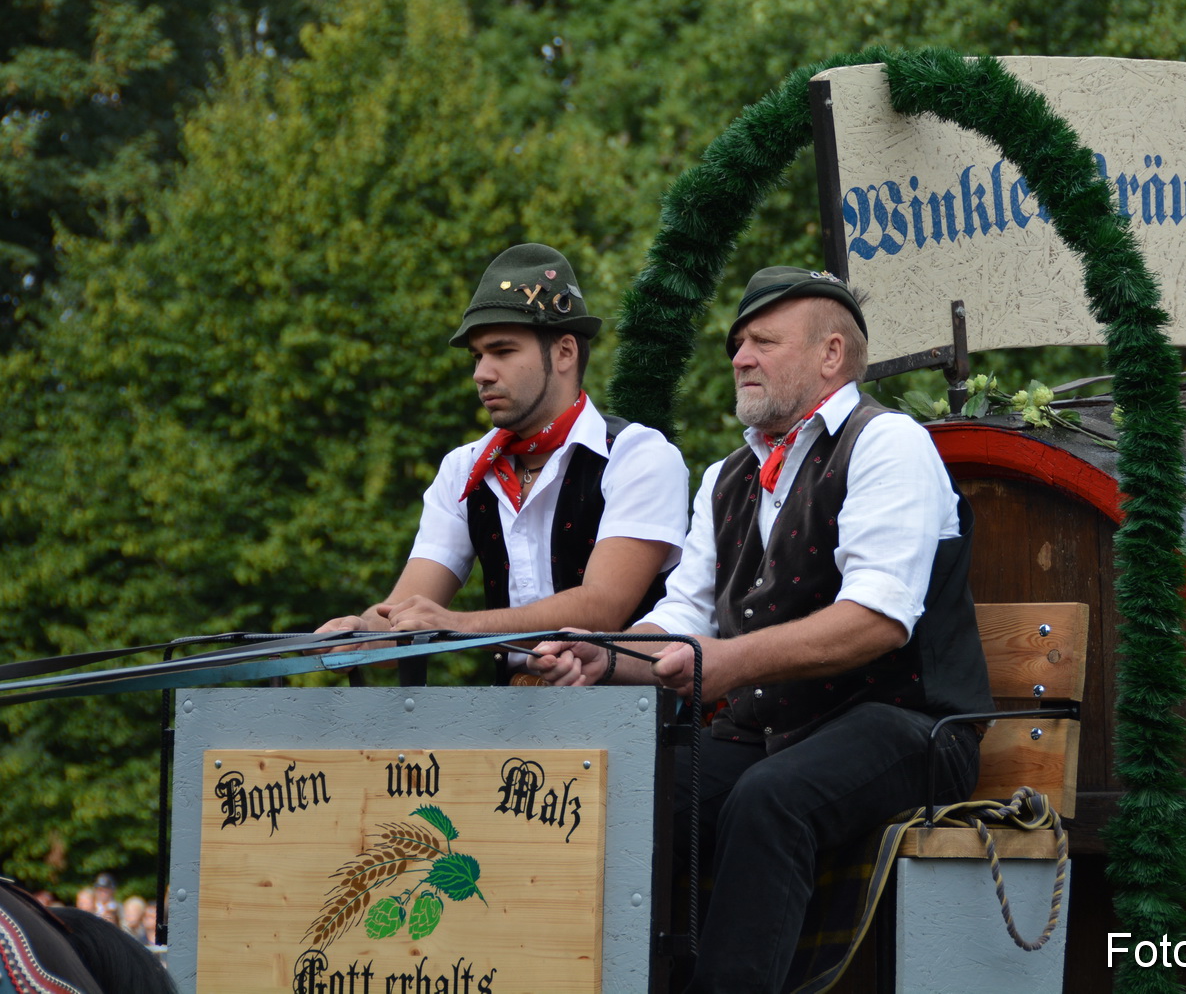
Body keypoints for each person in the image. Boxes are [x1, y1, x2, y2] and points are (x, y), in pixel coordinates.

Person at [534, 266, 992, 993]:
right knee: (632, 789)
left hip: (912, 726)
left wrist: (729, 662)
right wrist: (605, 653)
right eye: (737, 342)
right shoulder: (727, 475)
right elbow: (682, 619)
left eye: (763, 341)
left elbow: (876, 621)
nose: (740, 356)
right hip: (777, 730)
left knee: (769, 799)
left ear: (830, 355)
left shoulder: (887, 443)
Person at [318, 243, 690, 677]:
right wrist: (358, 631)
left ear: (565, 352)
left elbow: (602, 607)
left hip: (635, 718)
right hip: (510, 724)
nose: (481, 373)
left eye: (503, 351)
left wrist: (458, 626)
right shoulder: (464, 468)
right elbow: (408, 607)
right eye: (477, 356)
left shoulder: (638, 455)